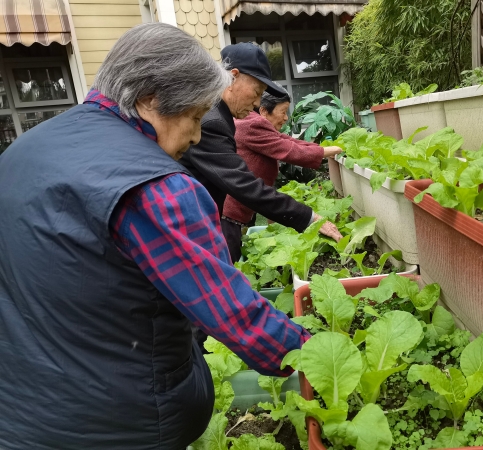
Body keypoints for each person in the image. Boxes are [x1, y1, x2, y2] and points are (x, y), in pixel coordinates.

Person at [0, 23, 310, 450]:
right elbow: (233, 314)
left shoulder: (23, 150)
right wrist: (315, 353)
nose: (198, 135)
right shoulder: (156, 187)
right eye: (195, 117)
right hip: (118, 426)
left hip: (20, 415)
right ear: (150, 99)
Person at [179, 43, 342, 262]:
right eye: (257, 93)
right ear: (233, 77)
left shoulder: (218, 114)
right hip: (192, 230)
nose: (257, 103)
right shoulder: (212, 122)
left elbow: (284, 141)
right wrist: (309, 217)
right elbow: (244, 185)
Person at [222, 88, 343, 259]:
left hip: (242, 205)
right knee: (230, 258)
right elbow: (289, 150)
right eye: (283, 112)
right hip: (231, 212)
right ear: (264, 111)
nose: (286, 117)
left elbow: (288, 141)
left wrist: (324, 150)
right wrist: (334, 150)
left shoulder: (253, 121)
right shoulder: (252, 124)